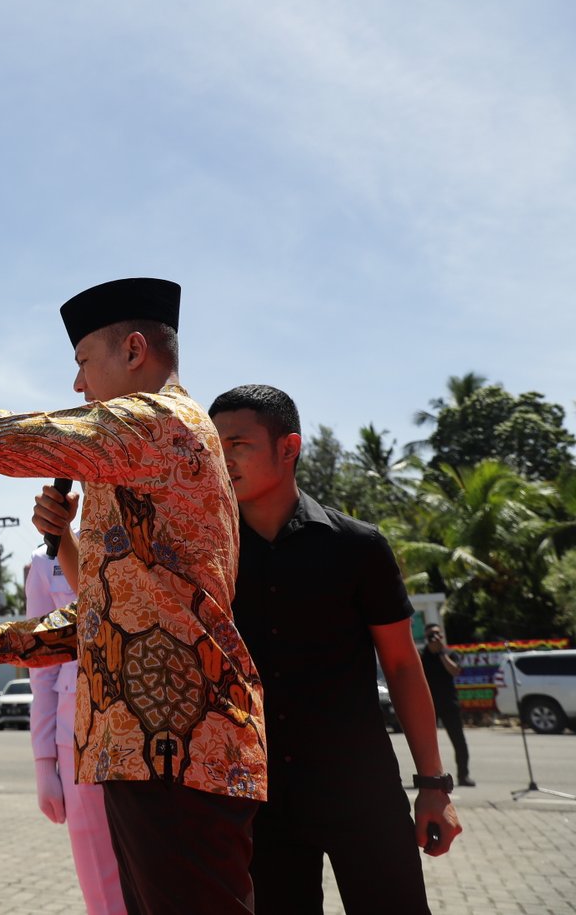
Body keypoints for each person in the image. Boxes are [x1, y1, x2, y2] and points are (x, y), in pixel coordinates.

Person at [0, 277, 267, 915]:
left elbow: (0, 439)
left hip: (179, 751)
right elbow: (110, 617)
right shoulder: (141, 450)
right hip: (149, 754)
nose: (78, 385)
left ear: (134, 350)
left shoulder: (158, 422)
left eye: (83, 362)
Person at [210, 385, 461, 913]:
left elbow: (401, 666)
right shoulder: (209, 559)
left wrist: (434, 785)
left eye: (239, 443)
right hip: (260, 799)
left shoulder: (358, 546)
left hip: (361, 791)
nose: (223, 457)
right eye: (216, 444)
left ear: (289, 447)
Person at [24, 537, 125, 915]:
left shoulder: (141, 530)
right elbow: (42, 665)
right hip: (74, 739)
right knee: (100, 885)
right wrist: (43, 762)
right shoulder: (44, 559)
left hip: (142, 731)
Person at [421, 624, 471, 787]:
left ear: (442, 635)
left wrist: (441, 653)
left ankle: (463, 775)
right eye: (430, 636)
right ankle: (429, 777)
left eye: (436, 634)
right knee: (427, 744)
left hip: (449, 703)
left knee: (459, 741)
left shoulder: (451, 653)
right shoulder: (422, 656)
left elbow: (455, 671)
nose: (434, 638)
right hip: (429, 705)